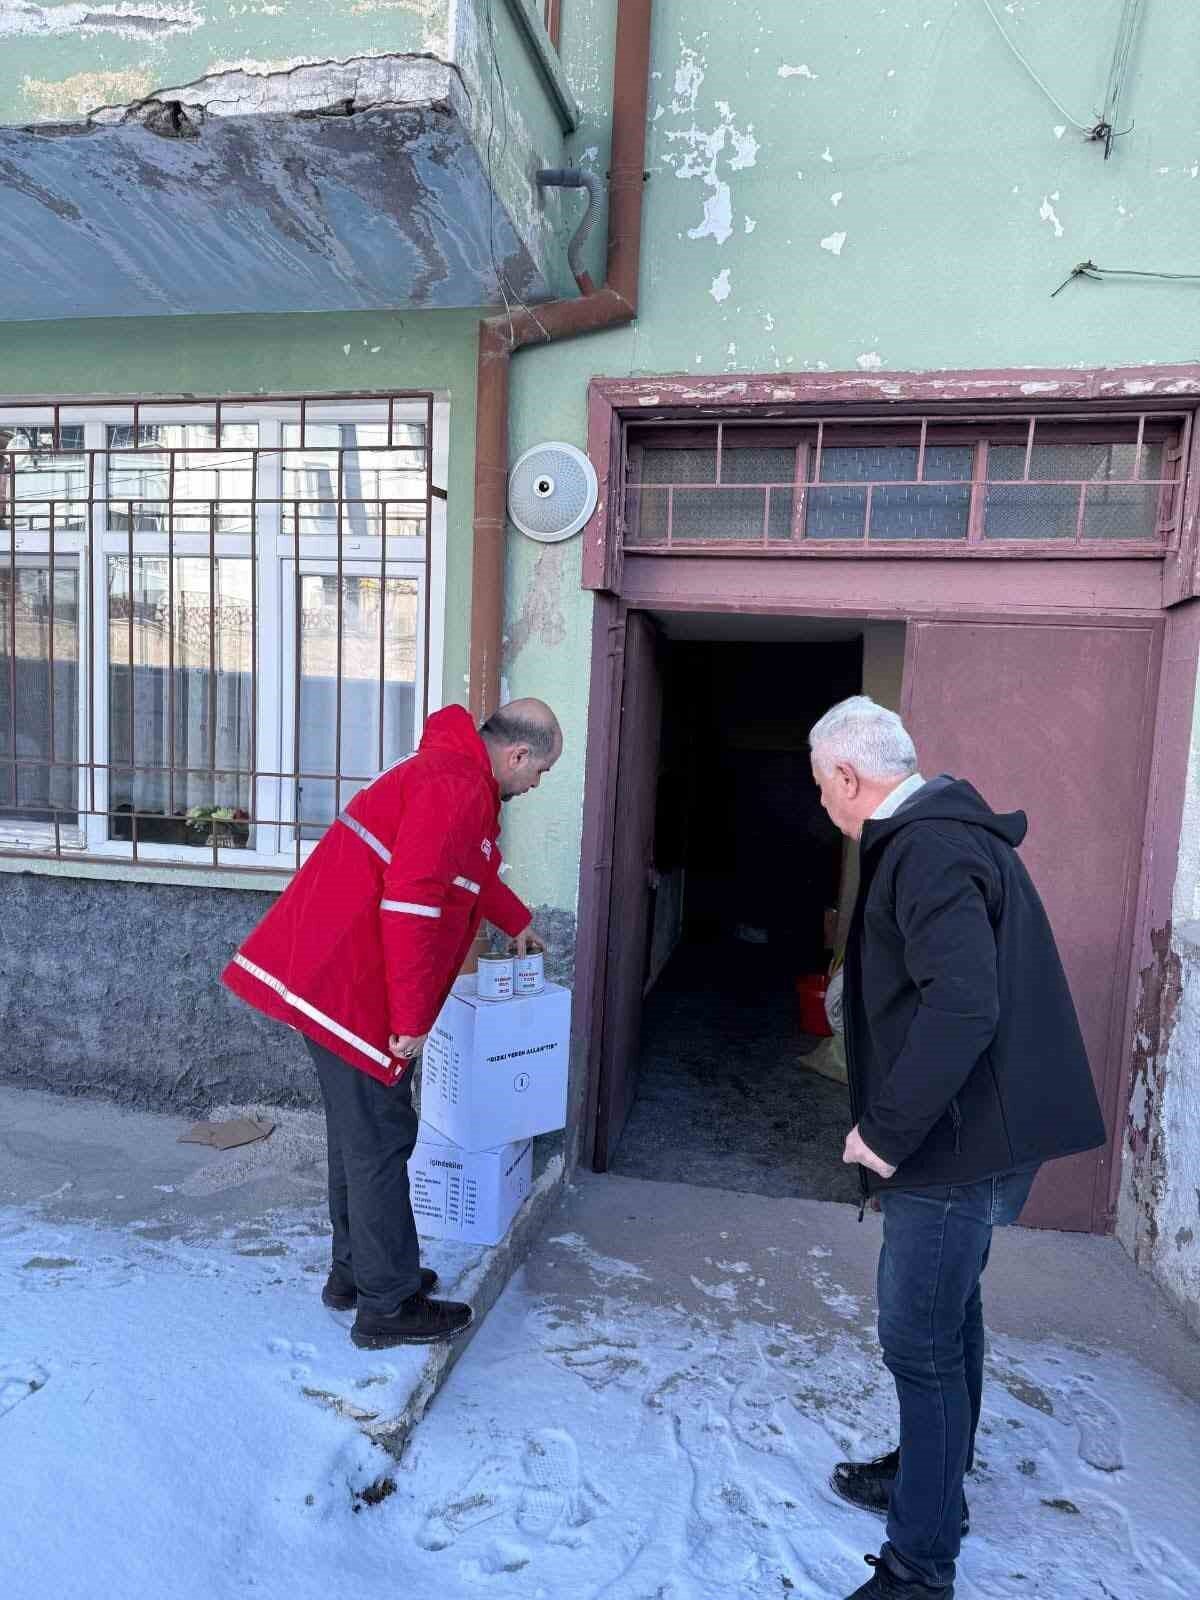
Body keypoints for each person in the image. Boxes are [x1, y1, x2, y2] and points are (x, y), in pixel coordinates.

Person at [807, 696, 1105, 1600]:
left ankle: (918, 1567)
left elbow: (964, 1005)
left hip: (953, 1141)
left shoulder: (929, 847)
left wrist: (884, 1133)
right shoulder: (941, 835)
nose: (822, 802)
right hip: (974, 1131)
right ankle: (932, 1482)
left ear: (848, 776)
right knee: (950, 1312)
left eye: (821, 785)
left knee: (919, 1337)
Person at [222, 699, 562, 1350]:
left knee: (359, 1137)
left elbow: (465, 866)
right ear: (518, 754)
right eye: (539, 772)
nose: (535, 785)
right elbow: (411, 903)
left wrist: (514, 918)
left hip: (333, 974)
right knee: (380, 1140)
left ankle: (357, 1274)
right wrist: (410, 1018)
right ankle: (388, 1304)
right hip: (352, 987)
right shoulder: (457, 785)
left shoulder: (446, 770)